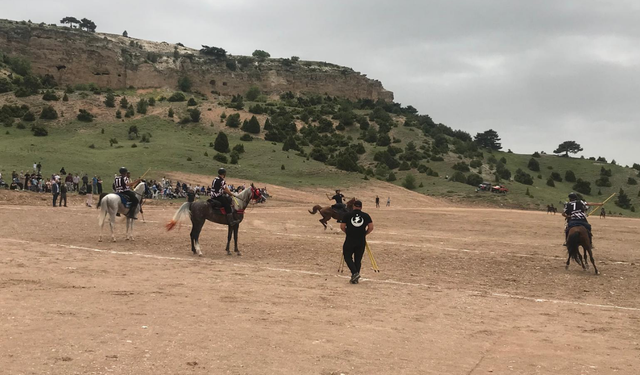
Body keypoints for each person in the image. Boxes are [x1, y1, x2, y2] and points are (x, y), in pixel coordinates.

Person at [340, 200, 374, 284]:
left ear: (353, 206)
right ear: (361, 207)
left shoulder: (347, 215)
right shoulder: (366, 215)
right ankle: (355, 277)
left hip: (350, 239)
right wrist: (365, 233)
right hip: (361, 240)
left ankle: (354, 273)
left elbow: (342, 226)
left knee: (347, 256)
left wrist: (347, 232)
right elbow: (371, 227)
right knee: (358, 259)